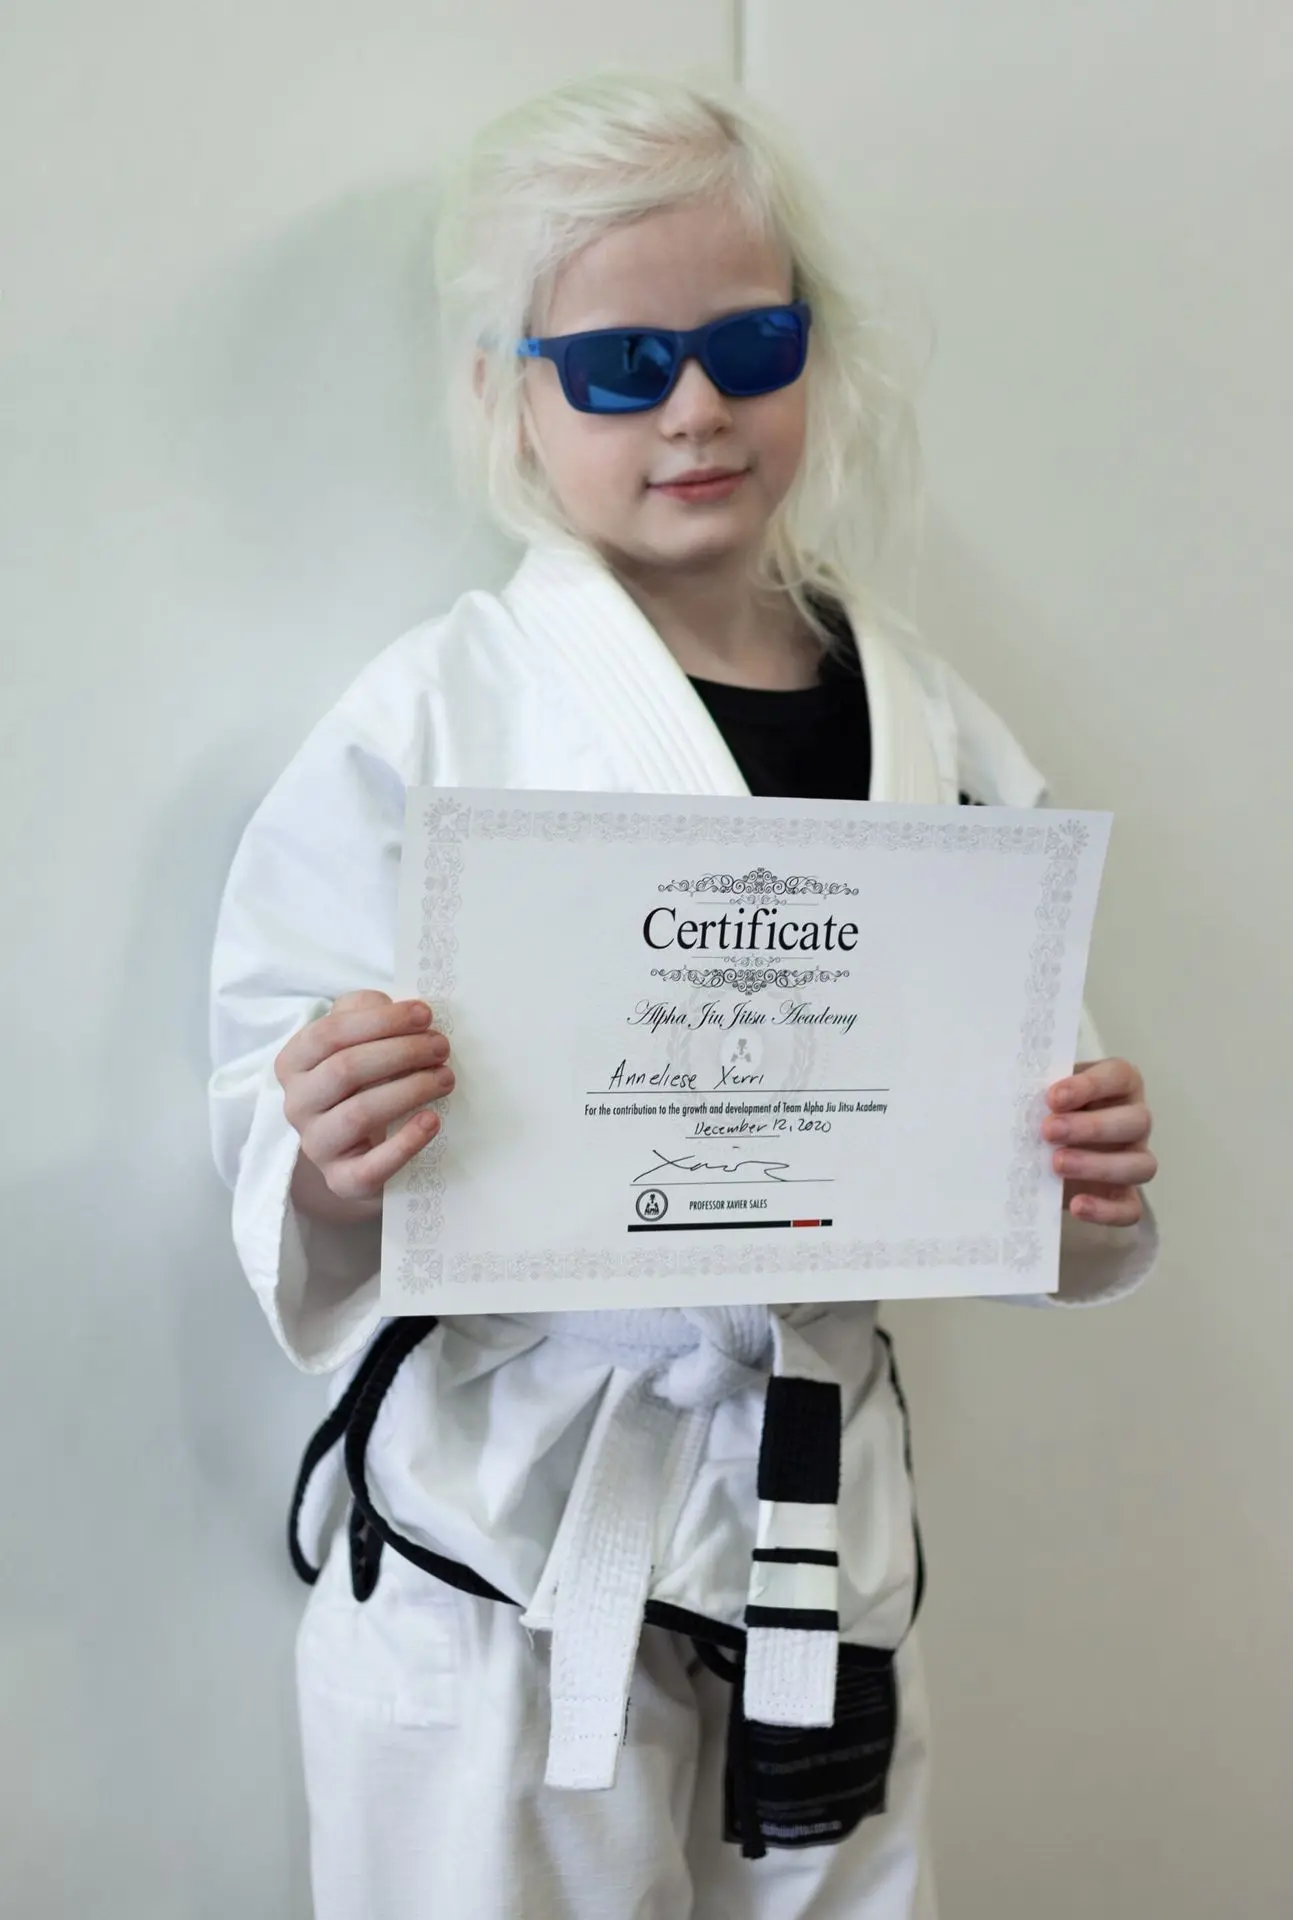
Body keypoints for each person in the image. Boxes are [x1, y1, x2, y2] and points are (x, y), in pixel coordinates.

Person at [207, 71, 1159, 1920]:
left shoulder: (928, 715)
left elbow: (1025, 1098)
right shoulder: (433, 715)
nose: (701, 406)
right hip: (509, 1524)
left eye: (750, 342)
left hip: (817, 1530)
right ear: (507, 391)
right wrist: (323, 1147)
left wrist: (1087, 1163)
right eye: (625, 366)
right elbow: (275, 1103)